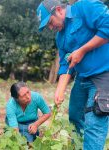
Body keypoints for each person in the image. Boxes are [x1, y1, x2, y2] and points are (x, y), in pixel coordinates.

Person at [36, 0, 109, 149]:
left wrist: (82, 50)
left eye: (50, 22)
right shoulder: (60, 37)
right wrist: (59, 90)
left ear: (59, 10)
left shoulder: (85, 7)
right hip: (82, 77)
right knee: (75, 116)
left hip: (103, 74)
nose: (51, 28)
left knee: (94, 120)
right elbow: (65, 64)